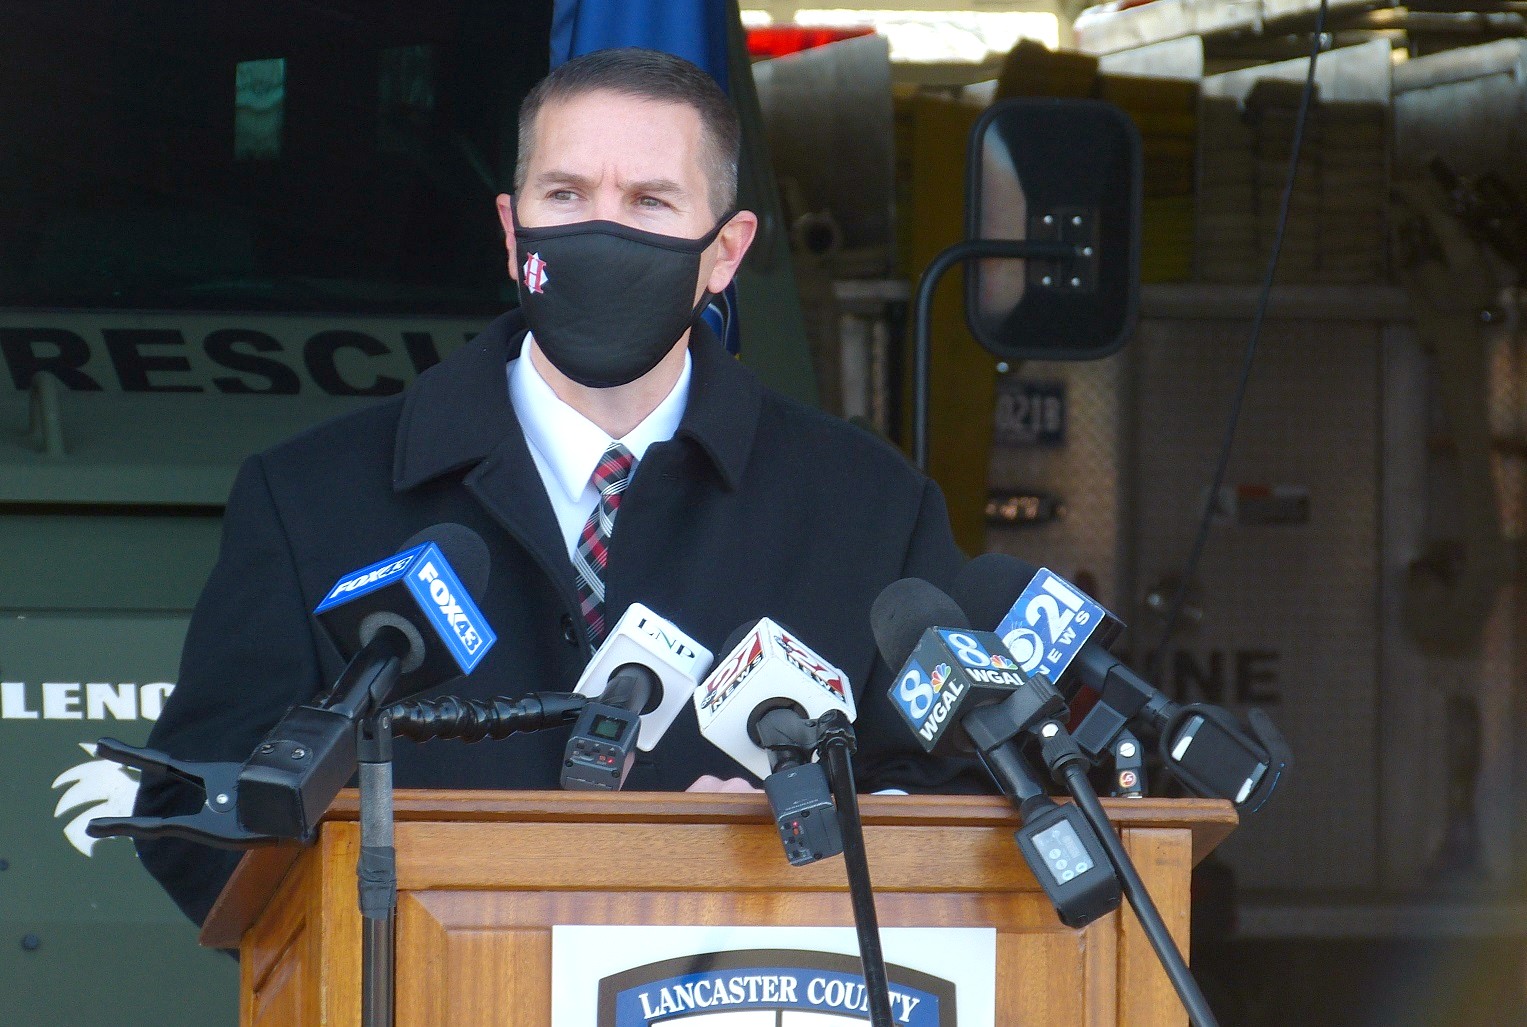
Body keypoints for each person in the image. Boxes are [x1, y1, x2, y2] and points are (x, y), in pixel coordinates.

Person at [134, 47, 969, 928]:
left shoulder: (870, 509)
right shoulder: (309, 497)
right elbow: (195, 815)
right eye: (565, 196)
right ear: (511, 229)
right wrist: (421, 926)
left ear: (725, 252)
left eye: (649, 202)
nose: (600, 234)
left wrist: (772, 867)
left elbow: (956, 806)